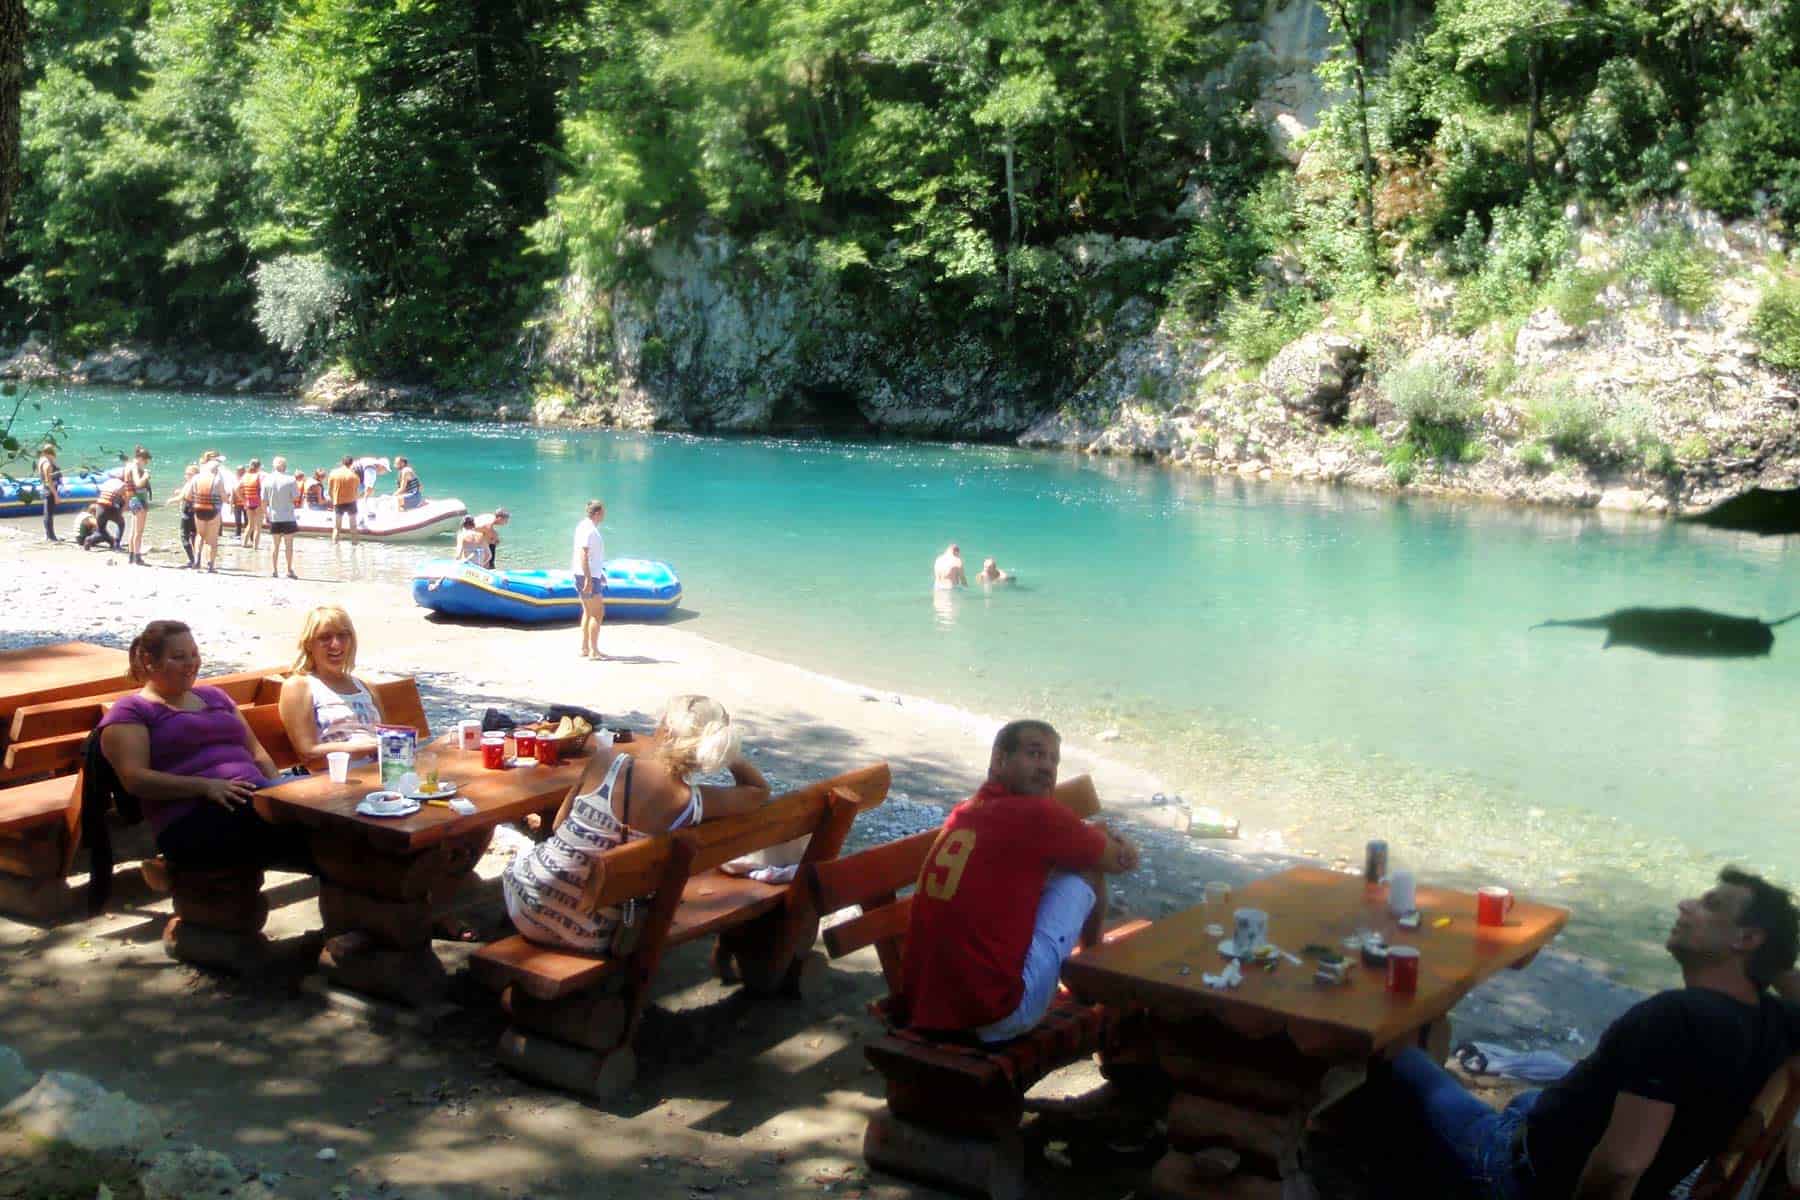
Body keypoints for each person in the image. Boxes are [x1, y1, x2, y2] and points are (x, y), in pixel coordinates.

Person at [1382, 868, 1800, 1200]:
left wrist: (1768, 949)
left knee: (1400, 1052)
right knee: (1529, 1099)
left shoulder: (1675, 1017)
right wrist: (1772, 957)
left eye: (1710, 905)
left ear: (1747, 938)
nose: (1685, 905)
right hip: (1553, 1134)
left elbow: (1622, 1165)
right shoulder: (1773, 1018)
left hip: (1521, 1176)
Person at [899, 720, 1139, 1042]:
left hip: (928, 1006)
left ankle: (1089, 966)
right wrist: (1117, 841)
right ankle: (1093, 972)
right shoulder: (1037, 815)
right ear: (999, 760)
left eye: (1054, 759)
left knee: (1071, 860)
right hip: (994, 1014)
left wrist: (1092, 836)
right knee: (1088, 868)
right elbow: (1115, 861)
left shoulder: (966, 812)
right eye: (1035, 754)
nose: (1047, 768)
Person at [504, 694, 770, 953]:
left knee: (526, 859)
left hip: (527, 905)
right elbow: (759, 791)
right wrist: (727, 752)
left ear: (664, 729)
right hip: (591, 934)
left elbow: (557, 824)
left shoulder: (608, 760)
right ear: (710, 746)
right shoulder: (693, 803)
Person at [97, 620, 314, 875]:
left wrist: (283, 795)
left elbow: (257, 753)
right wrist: (206, 786)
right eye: (178, 657)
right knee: (332, 837)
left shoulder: (216, 697)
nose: (191, 663)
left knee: (332, 819)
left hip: (255, 799)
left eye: (195, 654)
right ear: (149, 661)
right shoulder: (132, 710)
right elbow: (135, 779)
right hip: (194, 815)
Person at [277, 605, 385, 767]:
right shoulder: (300, 686)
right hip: (335, 777)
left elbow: (387, 737)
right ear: (308, 644)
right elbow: (308, 753)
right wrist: (368, 747)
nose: (336, 644)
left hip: (380, 772)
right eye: (325, 637)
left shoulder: (365, 686)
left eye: (343, 635)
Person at [573, 499, 607, 660]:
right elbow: (584, 554)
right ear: (598, 513)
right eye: (603, 512)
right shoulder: (590, 530)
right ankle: (594, 651)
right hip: (587, 575)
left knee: (588, 611)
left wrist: (600, 573)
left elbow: (593, 556)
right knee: (597, 613)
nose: (604, 515)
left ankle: (584, 647)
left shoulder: (582, 525)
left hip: (586, 573)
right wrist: (589, 578)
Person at [264, 456, 300, 579]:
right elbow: (296, 497)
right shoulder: (290, 479)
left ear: (274, 466)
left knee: (275, 544)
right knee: (289, 545)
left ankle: (274, 570)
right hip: (288, 516)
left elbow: (263, 501)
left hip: (274, 516)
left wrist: (266, 515)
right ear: (284, 466)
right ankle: (289, 570)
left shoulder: (267, 480)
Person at [190, 454, 226, 572]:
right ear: (215, 469)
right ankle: (211, 565)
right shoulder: (217, 479)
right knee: (213, 539)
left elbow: (189, 495)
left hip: (199, 510)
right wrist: (229, 499)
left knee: (200, 535)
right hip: (213, 511)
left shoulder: (196, 478)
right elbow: (224, 497)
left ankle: (196, 560)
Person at [164, 464, 200, 567]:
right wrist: (181, 492)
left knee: (184, 536)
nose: (186, 476)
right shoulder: (197, 483)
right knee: (194, 536)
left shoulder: (191, 483)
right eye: (186, 474)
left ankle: (192, 560)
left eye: (189, 474)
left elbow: (186, 496)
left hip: (188, 512)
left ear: (195, 474)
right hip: (195, 512)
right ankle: (197, 560)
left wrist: (170, 500)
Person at [124, 445, 153, 566]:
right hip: (139, 500)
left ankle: (131, 556)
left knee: (133, 530)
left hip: (132, 499)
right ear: (141, 458)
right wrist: (146, 476)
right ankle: (137, 557)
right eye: (146, 460)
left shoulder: (128, 466)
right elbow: (138, 484)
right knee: (139, 531)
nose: (146, 463)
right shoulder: (135, 467)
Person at [326, 456, 361, 545]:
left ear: (342, 463)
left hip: (338, 502)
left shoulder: (333, 473)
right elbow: (356, 492)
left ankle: (335, 547)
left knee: (337, 528)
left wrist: (333, 500)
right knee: (353, 527)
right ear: (352, 464)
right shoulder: (354, 476)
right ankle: (354, 547)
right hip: (351, 502)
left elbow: (330, 490)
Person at [94, 469, 129, 551]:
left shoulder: (107, 482)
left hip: (99, 507)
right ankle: (117, 545)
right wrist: (120, 513)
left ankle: (88, 540)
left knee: (100, 531)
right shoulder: (122, 485)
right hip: (109, 507)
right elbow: (125, 502)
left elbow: (99, 491)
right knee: (121, 523)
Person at [34, 442, 60, 542]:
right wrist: (56, 495)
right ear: (50, 453)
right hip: (50, 490)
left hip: (47, 489)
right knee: (49, 513)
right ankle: (51, 537)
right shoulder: (47, 464)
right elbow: (48, 481)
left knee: (48, 512)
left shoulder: (42, 460)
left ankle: (49, 535)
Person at [237, 459, 264, 549]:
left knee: (250, 525)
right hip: (258, 504)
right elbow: (263, 490)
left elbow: (236, 489)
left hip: (248, 503)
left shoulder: (245, 476)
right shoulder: (259, 476)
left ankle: (244, 544)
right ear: (259, 467)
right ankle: (255, 547)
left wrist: (243, 500)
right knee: (258, 527)